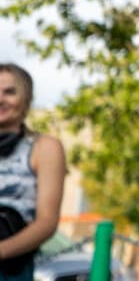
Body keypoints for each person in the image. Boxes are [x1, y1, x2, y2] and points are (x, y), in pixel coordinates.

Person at [0, 63, 66, 281]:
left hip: (10, 270)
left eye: (10, 92)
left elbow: (47, 222)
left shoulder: (44, 147)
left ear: (26, 98)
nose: (1, 99)